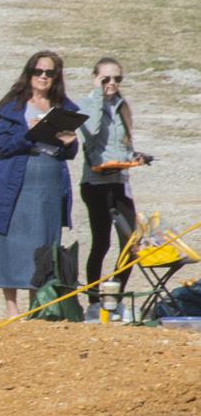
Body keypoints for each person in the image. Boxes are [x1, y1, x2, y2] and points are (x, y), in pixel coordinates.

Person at [0, 50, 80, 317]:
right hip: (16, 179)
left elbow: (69, 151)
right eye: (38, 72)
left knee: (42, 242)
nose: (43, 77)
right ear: (29, 73)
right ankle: (11, 307)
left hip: (50, 181)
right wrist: (29, 132)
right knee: (9, 241)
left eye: (49, 73)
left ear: (56, 77)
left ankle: (37, 303)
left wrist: (71, 143)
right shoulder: (14, 106)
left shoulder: (63, 107)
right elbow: (2, 146)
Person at [77, 57, 143, 314]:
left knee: (131, 243)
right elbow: (91, 130)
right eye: (106, 78)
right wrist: (97, 94)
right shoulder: (86, 103)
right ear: (96, 78)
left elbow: (125, 143)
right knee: (101, 242)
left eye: (117, 79)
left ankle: (114, 296)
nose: (112, 83)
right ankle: (94, 301)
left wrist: (134, 157)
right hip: (95, 182)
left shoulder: (122, 106)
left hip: (119, 180)